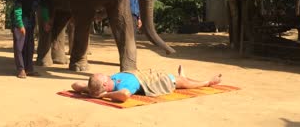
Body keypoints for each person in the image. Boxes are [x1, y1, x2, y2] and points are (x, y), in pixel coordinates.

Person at [71, 65, 222, 102]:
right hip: (156, 81)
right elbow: (124, 96)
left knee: (180, 79)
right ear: (105, 86)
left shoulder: (98, 87)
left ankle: (182, 77)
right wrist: (105, 95)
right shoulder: (121, 88)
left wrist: (88, 89)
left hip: (147, 74)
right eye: (104, 77)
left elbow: (75, 85)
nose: (106, 75)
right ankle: (208, 82)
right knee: (182, 82)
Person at [11, 0, 59, 78]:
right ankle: (21, 69)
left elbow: (44, 8)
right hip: (20, 18)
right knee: (20, 46)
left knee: (30, 46)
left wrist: (46, 21)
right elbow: (18, 6)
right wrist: (19, 24)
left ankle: (29, 69)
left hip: (30, 20)